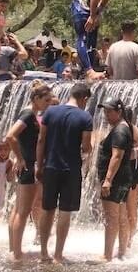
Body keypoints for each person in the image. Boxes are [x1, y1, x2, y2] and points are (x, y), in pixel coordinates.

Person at [36, 83, 94, 264]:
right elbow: (85, 147)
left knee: (47, 210)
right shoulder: (85, 117)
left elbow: (41, 140)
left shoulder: (50, 112)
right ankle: (58, 255)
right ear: (84, 98)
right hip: (71, 169)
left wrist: (39, 165)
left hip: (50, 167)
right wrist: (89, 150)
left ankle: (44, 252)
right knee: (65, 212)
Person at [6, 80, 52, 261]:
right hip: (29, 167)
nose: (48, 103)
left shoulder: (30, 113)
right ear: (36, 98)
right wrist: (20, 157)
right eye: (46, 100)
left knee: (18, 209)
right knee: (23, 212)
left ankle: (13, 249)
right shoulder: (27, 115)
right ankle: (17, 254)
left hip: (27, 166)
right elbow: (11, 135)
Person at [71, 0, 138, 79]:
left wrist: (97, 14)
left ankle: (90, 69)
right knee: (82, 37)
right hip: (81, 5)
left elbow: (104, 1)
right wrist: (92, 16)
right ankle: (88, 71)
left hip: (91, 8)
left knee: (92, 39)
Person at [96, 98, 134, 261]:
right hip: (124, 177)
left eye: (109, 112)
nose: (106, 115)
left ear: (119, 112)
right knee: (121, 215)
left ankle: (107, 255)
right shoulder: (125, 127)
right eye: (105, 111)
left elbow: (117, 156)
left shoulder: (119, 131)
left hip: (116, 179)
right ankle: (122, 252)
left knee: (111, 216)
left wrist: (108, 180)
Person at [125, 109, 138, 248]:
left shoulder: (131, 131)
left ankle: (128, 241)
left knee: (130, 206)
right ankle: (127, 239)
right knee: (129, 206)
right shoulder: (133, 129)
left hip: (132, 169)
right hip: (136, 168)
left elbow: (136, 155)